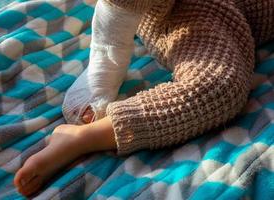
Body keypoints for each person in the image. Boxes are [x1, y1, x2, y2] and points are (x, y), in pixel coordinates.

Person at [14, 0, 274, 196]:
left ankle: (86, 136)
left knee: (218, 87)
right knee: (218, 86)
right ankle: (107, 50)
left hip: (221, 14)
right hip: (185, 10)